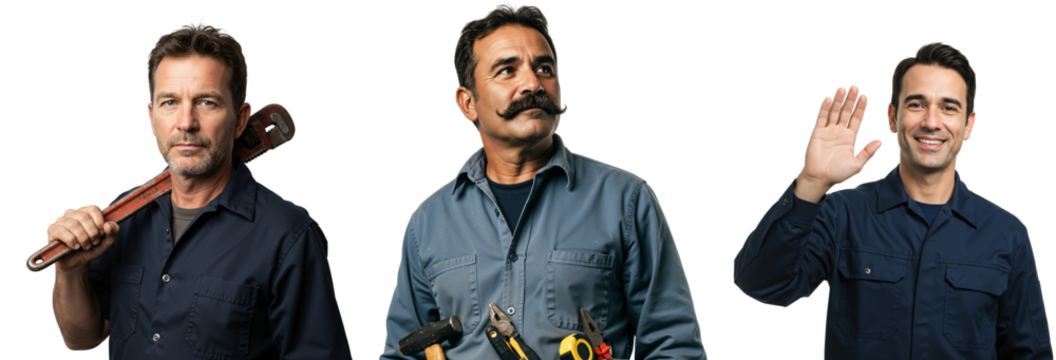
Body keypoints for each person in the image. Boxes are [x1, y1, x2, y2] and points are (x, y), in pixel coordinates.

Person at [378, 2, 707, 359]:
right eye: (507, 70)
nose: (533, 83)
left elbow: (673, 347)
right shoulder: (428, 221)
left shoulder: (626, 201)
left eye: (544, 68)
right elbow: (403, 350)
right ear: (467, 103)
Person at [45, 18, 353, 358]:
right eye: (170, 102)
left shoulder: (289, 237)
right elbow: (82, 339)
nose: (186, 122)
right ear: (151, 119)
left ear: (239, 119)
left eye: (207, 102)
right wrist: (70, 270)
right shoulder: (121, 218)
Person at [732, 41, 1053, 359]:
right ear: (891, 118)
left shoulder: (1006, 234)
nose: (931, 121)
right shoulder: (841, 214)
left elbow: (1029, 355)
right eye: (916, 104)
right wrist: (810, 183)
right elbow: (760, 284)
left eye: (948, 107)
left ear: (967, 125)